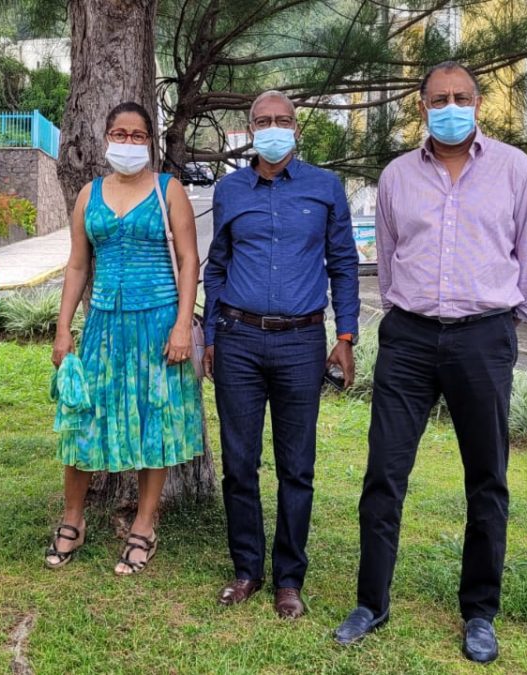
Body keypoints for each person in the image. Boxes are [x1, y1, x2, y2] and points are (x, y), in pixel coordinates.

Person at [333, 62, 527, 663]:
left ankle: (479, 612)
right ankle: (370, 601)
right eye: (439, 99)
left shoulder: (515, 171)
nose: (450, 106)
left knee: (487, 479)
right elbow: (388, 253)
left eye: (461, 97)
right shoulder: (398, 176)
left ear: (478, 103)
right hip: (407, 339)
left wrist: (505, 322)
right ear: (422, 106)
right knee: (384, 473)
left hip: (483, 338)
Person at [204, 90, 360, 618]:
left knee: (297, 467)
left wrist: (346, 338)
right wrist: (209, 337)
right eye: (262, 120)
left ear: (297, 127)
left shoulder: (325, 187)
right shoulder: (229, 189)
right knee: (239, 463)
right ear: (250, 129)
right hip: (239, 339)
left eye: (282, 120)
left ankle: (289, 578)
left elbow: (343, 265)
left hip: (301, 342)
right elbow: (216, 266)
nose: (273, 128)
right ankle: (246, 568)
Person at [48, 101, 204, 575]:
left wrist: (182, 324)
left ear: (150, 142)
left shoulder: (168, 189)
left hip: (157, 324)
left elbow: (190, 260)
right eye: (120, 133)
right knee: (84, 419)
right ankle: (73, 517)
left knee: (153, 421)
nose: (129, 142)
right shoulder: (89, 194)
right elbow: (78, 264)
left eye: (138, 135)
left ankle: (143, 526)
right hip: (102, 326)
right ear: (106, 138)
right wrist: (62, 328)